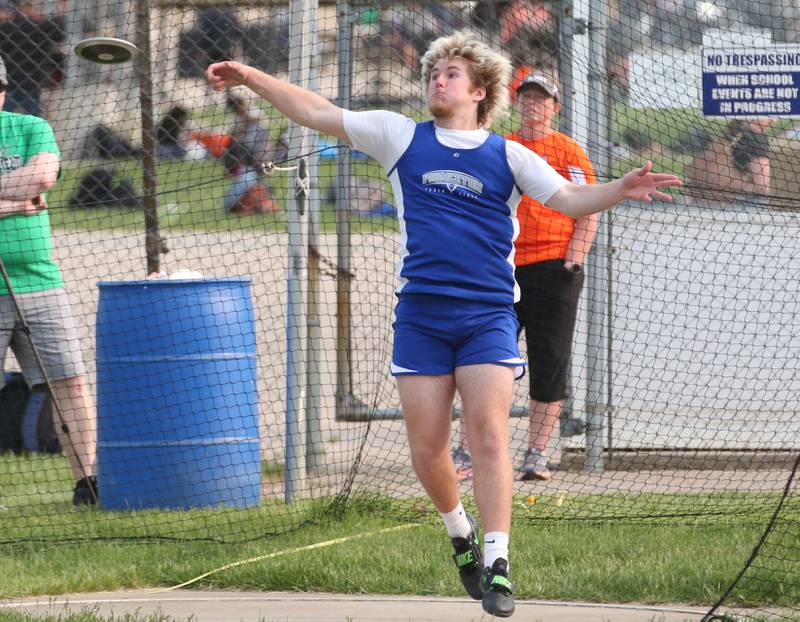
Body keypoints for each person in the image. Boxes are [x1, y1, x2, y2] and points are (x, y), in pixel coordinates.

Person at [207, 31, 680, 617]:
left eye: (452, 74)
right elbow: (317, 111)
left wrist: (619, 189)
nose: (439, 80)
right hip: (422, 318)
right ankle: (459, 533)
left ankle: (499, 565)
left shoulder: (508, 155)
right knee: (428, 449)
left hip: (486, 316)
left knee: (487, 435)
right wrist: (252, 76)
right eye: (434, 72)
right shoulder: (399, 136)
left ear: (480, 91)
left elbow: (568, 201)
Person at [452, 74, 597, 482]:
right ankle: (466, 450)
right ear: (515, 104)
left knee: (550, 361)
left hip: (554, 270)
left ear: (556, 106)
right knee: (485, 357)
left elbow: (588, 207)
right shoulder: (503, 147)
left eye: (541, 100)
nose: (533, 106)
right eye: (526, 99)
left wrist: (574, 258)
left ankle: (536, 453)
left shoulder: (568, 150)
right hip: (504, 268)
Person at [0, 54, 98, 505]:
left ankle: (88, 483)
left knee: (70, 382)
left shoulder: (30, 127)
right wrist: (18, 201)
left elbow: (43, 175)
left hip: (40, 281)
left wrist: (28, 193)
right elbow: (30, 190)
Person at [684, 119, 771, 203]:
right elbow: (762, 189)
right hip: (714, 202)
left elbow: (762, 189)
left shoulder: (753, 139)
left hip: (714, 205)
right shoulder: (750, 137)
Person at [222, 94, 282, 214]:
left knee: (257, 182)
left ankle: (263, 200)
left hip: (258, 159)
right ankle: (246, 204)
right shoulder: (237, 123)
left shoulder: (256, 120)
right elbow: (235, 142)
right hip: (246, 162)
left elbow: (263, 141)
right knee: (249, 180)